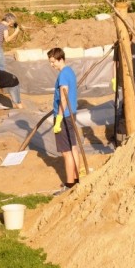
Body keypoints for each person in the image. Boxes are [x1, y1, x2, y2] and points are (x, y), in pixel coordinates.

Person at [48, 47, 81, 195]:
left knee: (66, 152)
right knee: (73, 147)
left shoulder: (63, 75)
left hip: (64, 116)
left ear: (60, 59)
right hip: (71, 114)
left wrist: (59, 118)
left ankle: (69, 184)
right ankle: (76, 178)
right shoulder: (70, 72)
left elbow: (63, 96)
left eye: (53, 62)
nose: (52, 65)